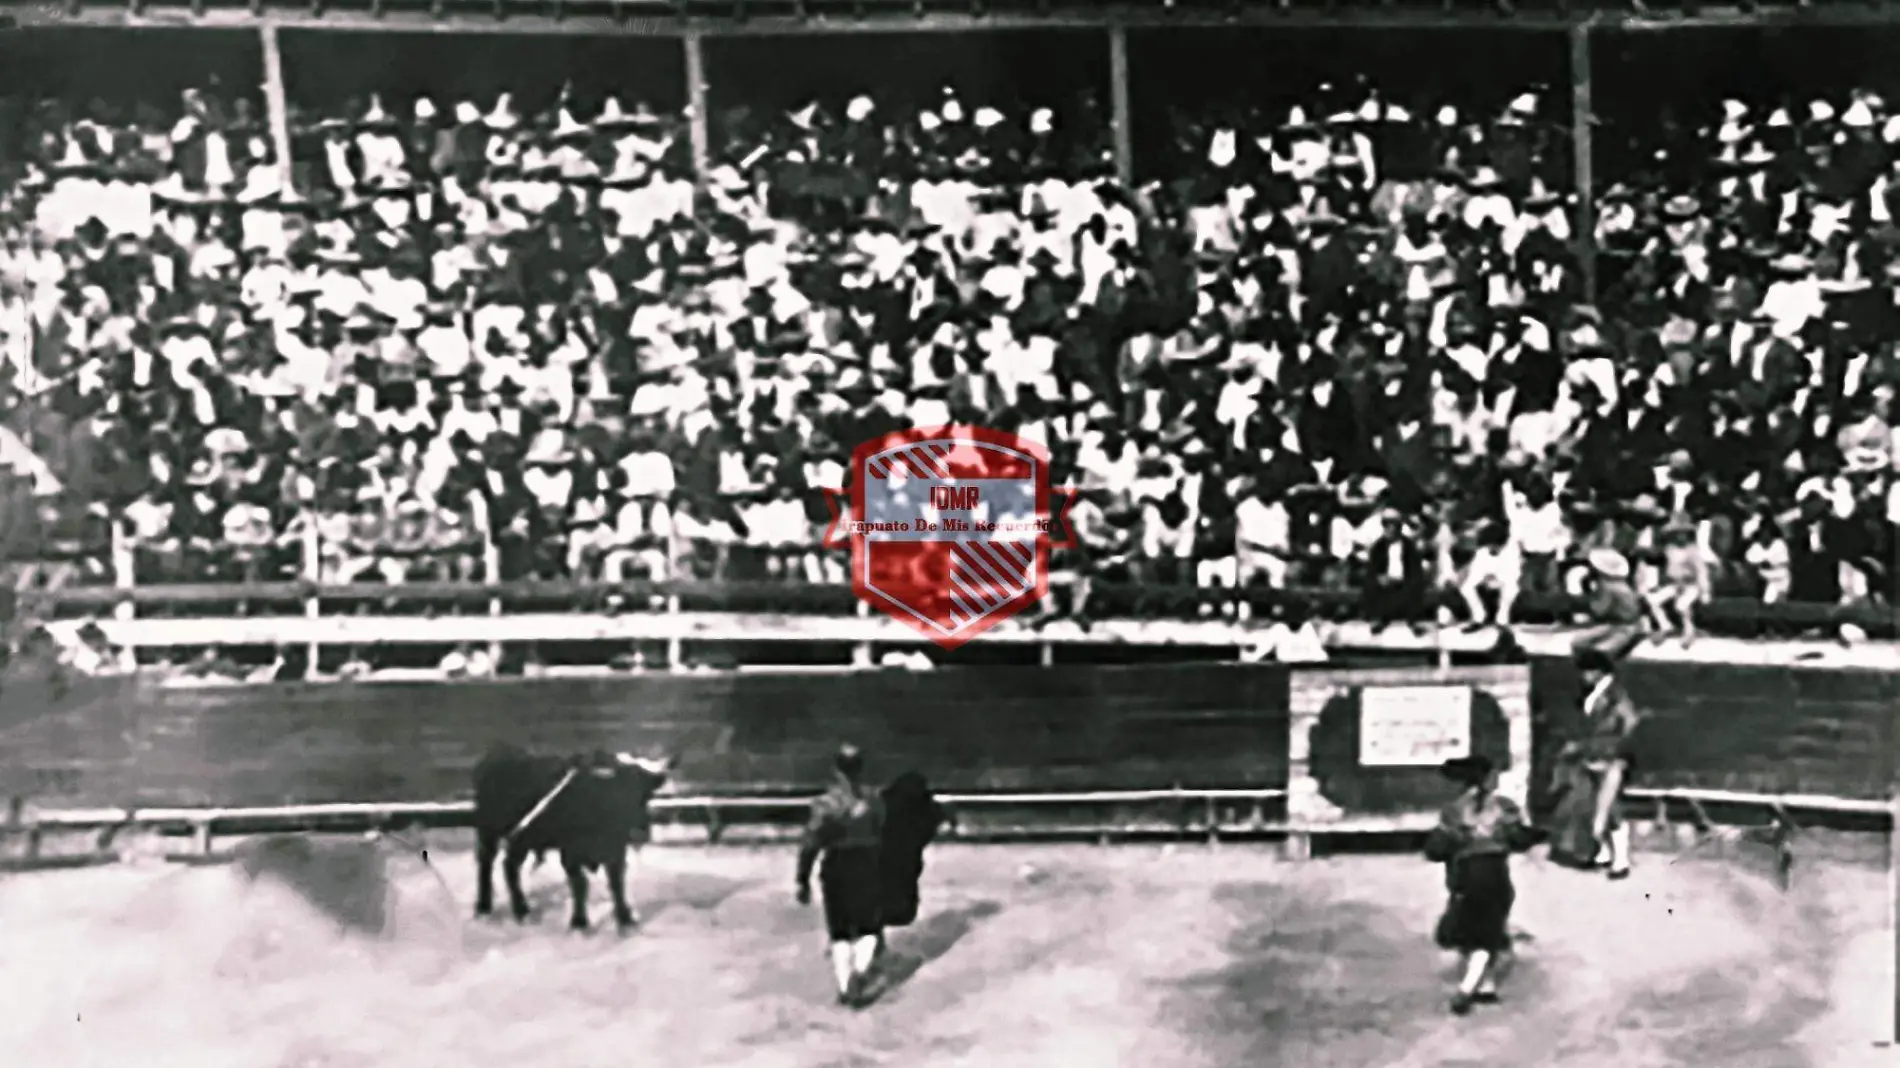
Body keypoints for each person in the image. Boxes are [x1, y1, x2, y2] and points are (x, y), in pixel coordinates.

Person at [1424, 754, 1544, 1016]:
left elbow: (1435, 849)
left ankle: (1484, 985)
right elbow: (1520, 837)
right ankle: (1468, 989)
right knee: (1487, 934)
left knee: (1472, 930)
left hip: (1464, 876)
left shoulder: (1453, 811)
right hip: (1494, 873)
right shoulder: (1502, 807)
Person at [796, 743, 886, 1007]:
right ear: (861, 768)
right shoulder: (874, 801)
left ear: (836, 770)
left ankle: (846, 985)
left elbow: (810, 844)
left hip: (836, 866)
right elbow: (885, 837)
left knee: (840, 930)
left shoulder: (825, 805)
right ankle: (861, 970)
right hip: (868, 864)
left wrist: (802, 878)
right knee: (869, 926)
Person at [1550, 646, 1642, 879]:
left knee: (1611, 807)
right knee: (1596, 805)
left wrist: (1613, 748)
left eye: (1587, 672)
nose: (1583, 677)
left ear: (1598, 672)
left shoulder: (1615, 693)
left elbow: (1630, 721)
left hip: (1609, 758)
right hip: (1592, 755)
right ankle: (1604, 853)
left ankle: (1620, 860)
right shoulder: (1596, 693)